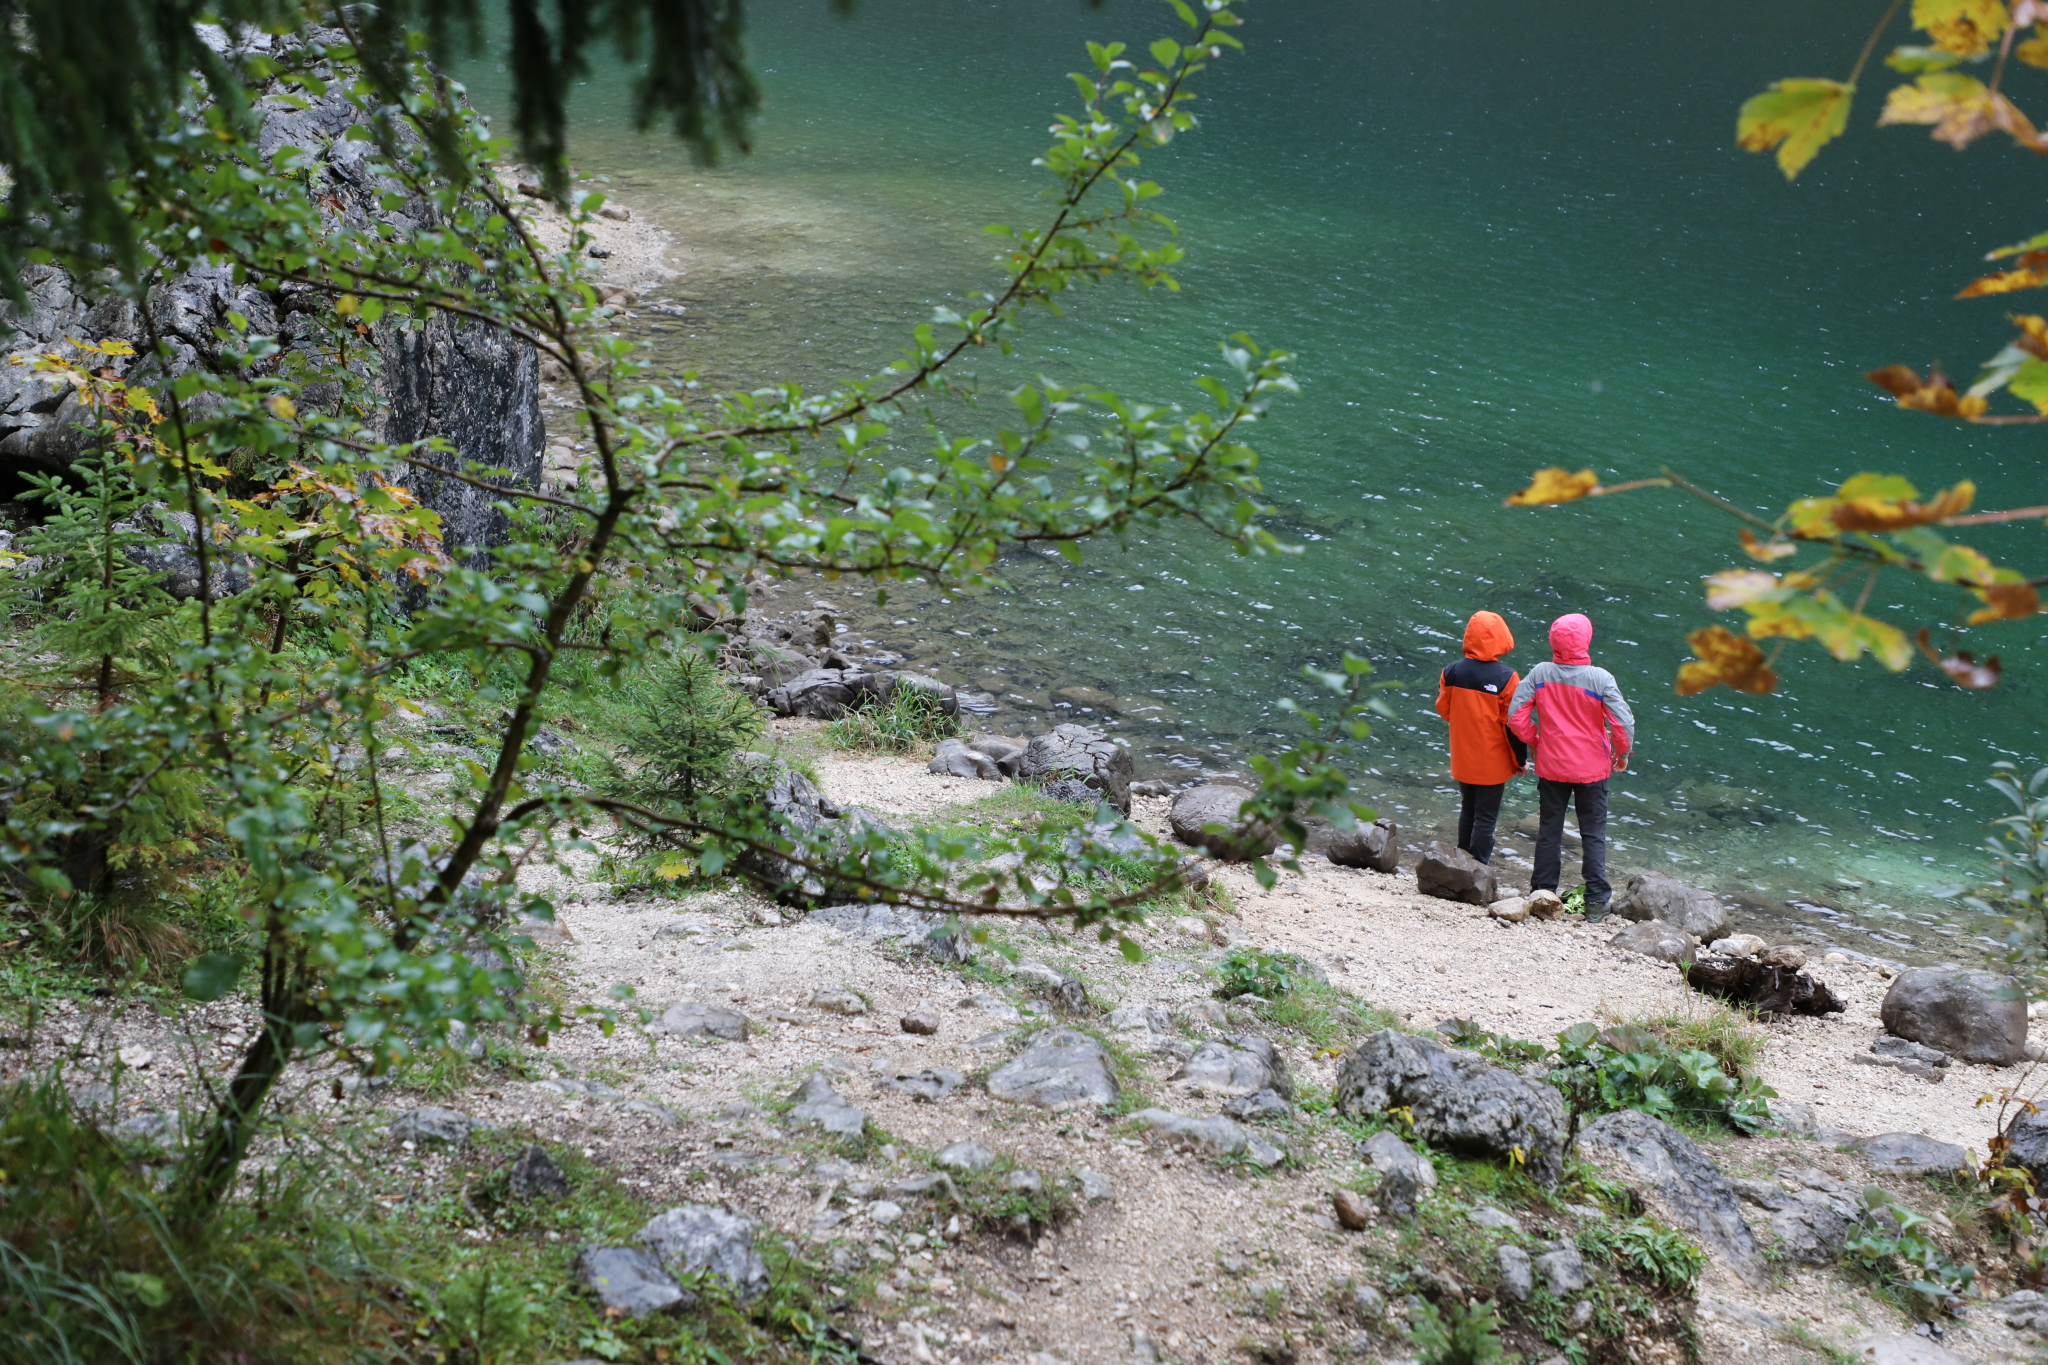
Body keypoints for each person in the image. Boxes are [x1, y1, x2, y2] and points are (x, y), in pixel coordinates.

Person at [1507, 612, 1634, 920]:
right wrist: (1622, 752)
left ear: (1553, 640)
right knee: (1593, 833)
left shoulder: (1539, 673)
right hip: (1592, 770)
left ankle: (1543, 892)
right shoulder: (1600, 678)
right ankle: (1596, 902)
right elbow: (1623, 722)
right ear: (1585, 641)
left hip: (1552, 766)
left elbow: (1515, 717)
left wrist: (1537, 740)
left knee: (1549, 829)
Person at [1434, 610, 1527, 865]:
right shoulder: (1507, 678)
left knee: (1468, 809)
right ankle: (1479, 868)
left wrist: (1467, 721)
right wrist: (1520, 761)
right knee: (1486, 817)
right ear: (1501, 637)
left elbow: (1444, 709)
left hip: (1463, 757)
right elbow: (1513, 725)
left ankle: (1461, 860)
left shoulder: (1451, 672)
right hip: (1493, 762)